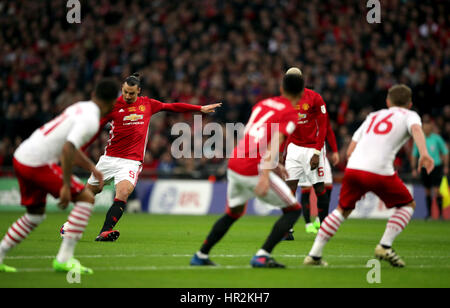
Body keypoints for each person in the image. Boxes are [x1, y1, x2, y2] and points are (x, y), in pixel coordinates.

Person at [303, 84, 434, 267]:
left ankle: (314, 255)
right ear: (410, 103)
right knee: (408, 204)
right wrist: (424, 153)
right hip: (379, 169)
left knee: (342, 210)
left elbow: (350, 149)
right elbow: (417, 130)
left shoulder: (373, 116)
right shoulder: (410, 115)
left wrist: (358, 175)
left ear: (388, 102)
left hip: (354, 167)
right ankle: (385, 245)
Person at [0, 79, 119, 273]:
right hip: (37, 163)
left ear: (93, 94)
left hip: (22, 156)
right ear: (113, 103)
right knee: (86, 198)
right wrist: (65, 185)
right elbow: (67, 148)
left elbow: (68, 145)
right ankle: (64, 259)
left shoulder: (81, 107)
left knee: (34, 216)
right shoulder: (91, 120)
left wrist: (91, 168)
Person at [84, 73, 221, 241]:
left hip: (131, 161)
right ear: (122, 89)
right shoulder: (112, 106)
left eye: (132, 93)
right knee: (90, 192)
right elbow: (95, 128)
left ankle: (104, 231)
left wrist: (199, 109)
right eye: (125, 92)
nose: (128, 96)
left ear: (138, 91)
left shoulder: (147, 104)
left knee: (124, 192)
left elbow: (172, 107)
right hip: (109, 158)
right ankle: (69, 226)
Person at [190, 68, 304, 268]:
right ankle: (262, 255)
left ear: (281, 87)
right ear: (301, 93)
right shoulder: (290, 114)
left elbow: (251, 135)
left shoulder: (262, 104)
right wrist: (265, 175)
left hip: (235, 162)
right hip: (254, 168)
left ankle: (201, 255)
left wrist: (273, 164)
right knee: (293, 210)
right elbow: (275, 142)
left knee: (233, 212)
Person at [283, 73, 330, 233]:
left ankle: (324, 227)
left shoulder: (315, 98)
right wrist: (283, 151)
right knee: (289, 187)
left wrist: (317, 152)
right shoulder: (286, 99)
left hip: (312, 147)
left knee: (318, 188)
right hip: (293, 147)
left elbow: (323, 126)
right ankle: (287, 229)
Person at [296, 118, 340, 235]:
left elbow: (328, 131)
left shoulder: (321, 114)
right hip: (304, 153)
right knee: (306, 188)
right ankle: (308, 224)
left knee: (328, 185)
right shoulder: (301, 113)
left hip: (320, 154)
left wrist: (335, 150)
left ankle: (319, 220)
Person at [411, 117, 449, 219]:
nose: (426, 128)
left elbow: (445, 152)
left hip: (436, 167)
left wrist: (446, 166)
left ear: (431, 127)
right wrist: (413, 168)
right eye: (424, 127)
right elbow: (414, 154)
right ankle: (429, 214)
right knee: (427, 191)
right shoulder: (419, 139)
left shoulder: (437, 138)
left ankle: (440, 214)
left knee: (436, 191)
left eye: (428, 126)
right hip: (424, 167)